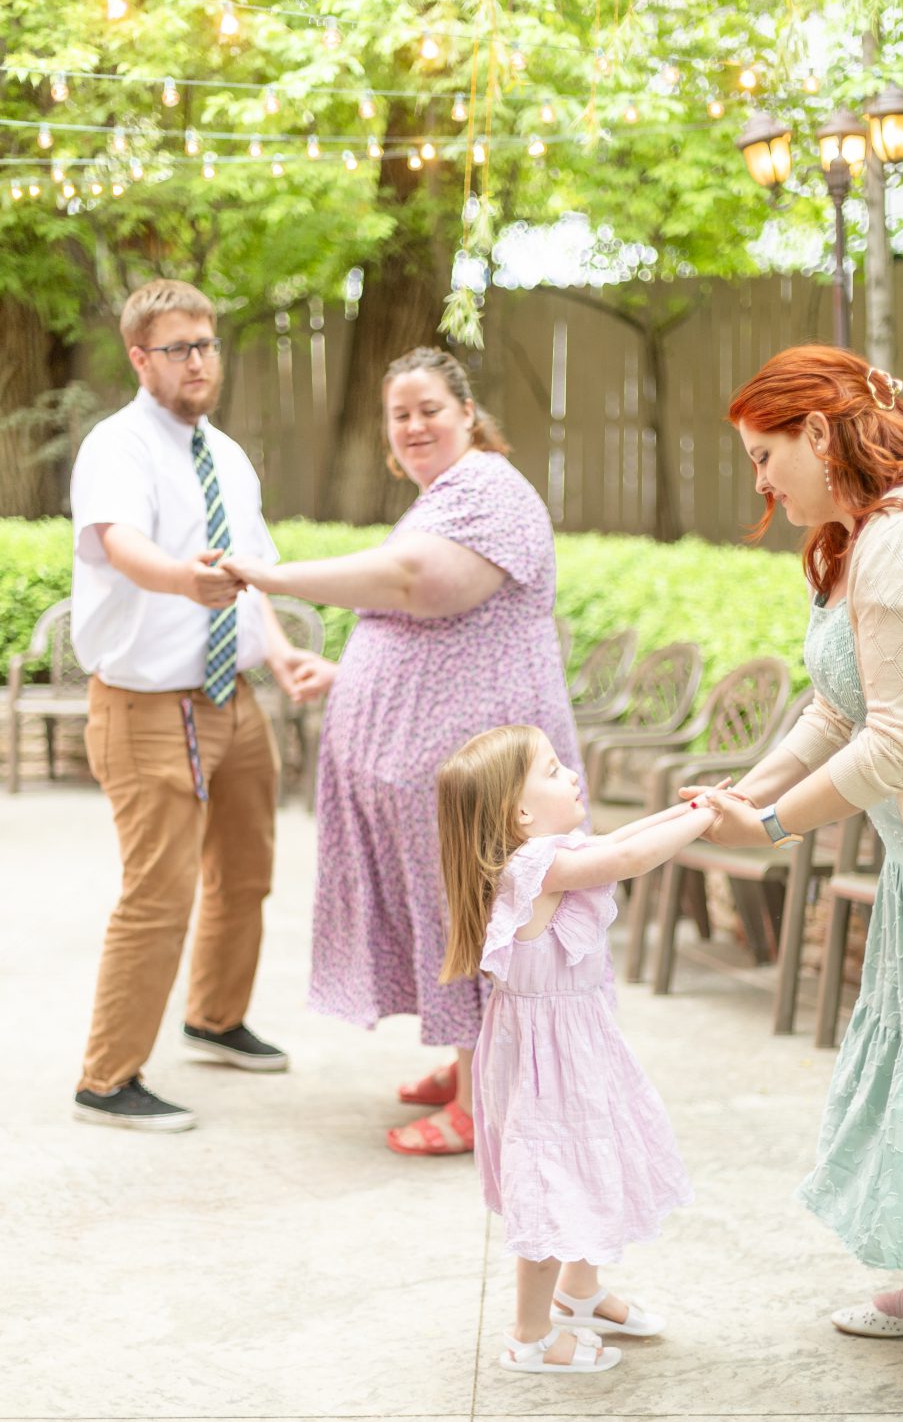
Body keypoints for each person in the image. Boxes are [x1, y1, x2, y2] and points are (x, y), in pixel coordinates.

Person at [696, 344, 903, 1414]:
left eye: (763, 454)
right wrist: (746, 791)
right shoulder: (865, 531)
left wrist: (777, 826)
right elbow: (840, 702)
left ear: (820, 434)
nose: (757, 482)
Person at [224, 348, 583, 1155]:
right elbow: (438, 630)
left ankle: (481, 1102)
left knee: (478, 915)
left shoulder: (487, 486)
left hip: (483, 762)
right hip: (440, 758)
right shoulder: (447, 494)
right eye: (400, 414)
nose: (415, 425)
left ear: (466, 412)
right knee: (449, 913)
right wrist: (351, 673)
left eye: (429, 408)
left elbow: (421, 584)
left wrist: (271, 579)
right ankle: (467, 1069)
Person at [70, 278, 335, 1133]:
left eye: (208, 344)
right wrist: (185, 580)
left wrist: (282, 648)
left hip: (233, 695)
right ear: (140, 358)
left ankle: (214, 1019)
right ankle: (107, 1081)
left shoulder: (227, 455)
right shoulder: (117, 448)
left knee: (247, 873)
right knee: (157, 894)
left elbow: (251, 566)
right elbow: (124, 546)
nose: (199, 361)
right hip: (147, 705)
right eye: (179, 348)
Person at [435, 725, 714, 1372]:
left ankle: (579, 1294)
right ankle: (530, 1337)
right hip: (545, 1057)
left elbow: (618, 841)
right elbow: (627, 861)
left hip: (569, 1045)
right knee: (552, 1182)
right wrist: (702, 823)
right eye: (554, 770)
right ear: (520, 814)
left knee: (589, 1162)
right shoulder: (535, 866)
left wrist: (689, 808)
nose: (572, 776)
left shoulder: (549, 852)